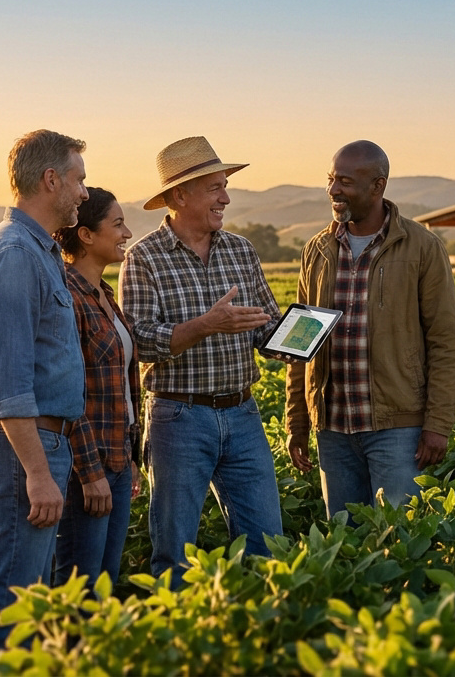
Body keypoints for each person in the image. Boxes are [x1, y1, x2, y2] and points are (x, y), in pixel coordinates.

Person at [119, 135, 284, 588]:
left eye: (223, 185)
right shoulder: (144, 258)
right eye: (214, 187)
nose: (225, 197)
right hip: (179, 417)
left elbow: (264, 328)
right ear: (179, 196)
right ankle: (180, 644)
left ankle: (258, 638)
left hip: (243, 414)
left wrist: (301, 337)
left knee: (268, 544)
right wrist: (207, 325)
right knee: (175, 551)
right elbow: (138, 341)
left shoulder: (241, 250)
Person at [285, 140, 455, 521]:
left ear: (377, 186)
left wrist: (437, 425)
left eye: (346, 181)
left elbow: (445, 343)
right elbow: (302, 343)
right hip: (332, 426)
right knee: (345, 537)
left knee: (400, 537)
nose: (334, 190)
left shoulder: (422, 247)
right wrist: (298, 422)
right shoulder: (317, 250)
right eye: (331, 179)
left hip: (397, 428)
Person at [0, 129, 88, 650]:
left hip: (34, 444)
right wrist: (38, 473)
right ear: (50, 179)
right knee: (9, 603)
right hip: (19, 449)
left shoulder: (38, 250)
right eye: (79, 179)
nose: (84, 191)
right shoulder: (16, 254)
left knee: (28, 601)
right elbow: (8, 384)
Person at [52, 187, 143, 593]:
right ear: (86, 235)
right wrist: (90, 475)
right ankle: (67, 656)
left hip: (118, 458)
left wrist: (132, 458)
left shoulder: (105, 294)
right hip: (85, 468)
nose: (126, 233)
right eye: (118, 224)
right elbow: (70, 395)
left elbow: (121, 385)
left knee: (104, 582)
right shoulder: (68, 298)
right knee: (80, 585)